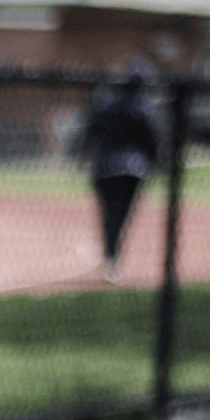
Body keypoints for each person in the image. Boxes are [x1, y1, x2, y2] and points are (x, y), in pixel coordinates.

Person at [76, 57, 161, 284]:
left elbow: (89, 134)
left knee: (108, 215)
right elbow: (152, 142)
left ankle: (110, 258)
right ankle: (113, 258)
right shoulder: (143, 110)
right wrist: (155, 165)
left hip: (104, 168)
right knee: (121, 216)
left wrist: (82, 158)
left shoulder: (104, 106)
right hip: (132, 170)